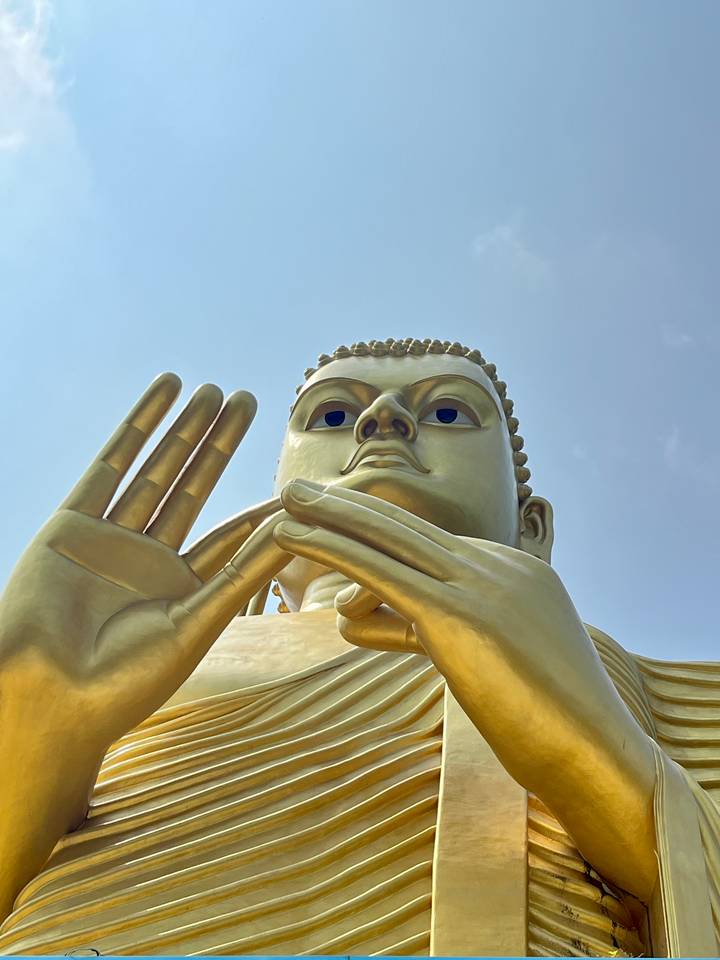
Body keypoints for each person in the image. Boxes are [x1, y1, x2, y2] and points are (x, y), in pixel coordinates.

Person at [0, 337, 718, 957]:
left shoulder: (632, 685)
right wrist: (27, 732)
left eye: (446, 413)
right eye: (334, 415)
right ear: (268, 523)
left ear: (531, 528)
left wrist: (602, 764)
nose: (384, 421)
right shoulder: (132, 667)